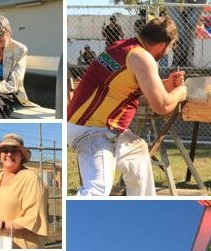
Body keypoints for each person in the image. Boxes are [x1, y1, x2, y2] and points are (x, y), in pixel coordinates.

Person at [68, 17, 187, 196]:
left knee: (138, 153)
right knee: (97, 191)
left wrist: (167, 84)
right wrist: (182, 92)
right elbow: (162, 106)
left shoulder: (123, 48)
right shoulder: (142, 57)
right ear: (164, 44)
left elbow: (129, 85)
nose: (168, 51)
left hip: (94, 126)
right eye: (170, 47)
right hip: (93, 130)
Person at [0, 133, 48, 248]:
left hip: (16, 246)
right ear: (0, 154)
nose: (9, 154)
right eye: (5, 150)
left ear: (22, 155)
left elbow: (33, 219)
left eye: (14, 150)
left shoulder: (31, 179)